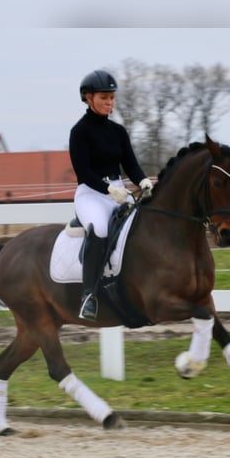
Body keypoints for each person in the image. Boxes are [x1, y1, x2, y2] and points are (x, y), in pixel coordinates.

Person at [69, 69, 153, 321]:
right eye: (104, 98)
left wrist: (143, 181)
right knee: (102, 229)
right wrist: (109, 189)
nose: (110, 103)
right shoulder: (79, 132)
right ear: (88, 97)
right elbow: (83, 173)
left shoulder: (118, 132)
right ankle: (89, 296)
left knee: (144, 225)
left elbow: (131, 165)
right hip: (91, 193)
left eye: (112, 98)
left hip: (118, 190)